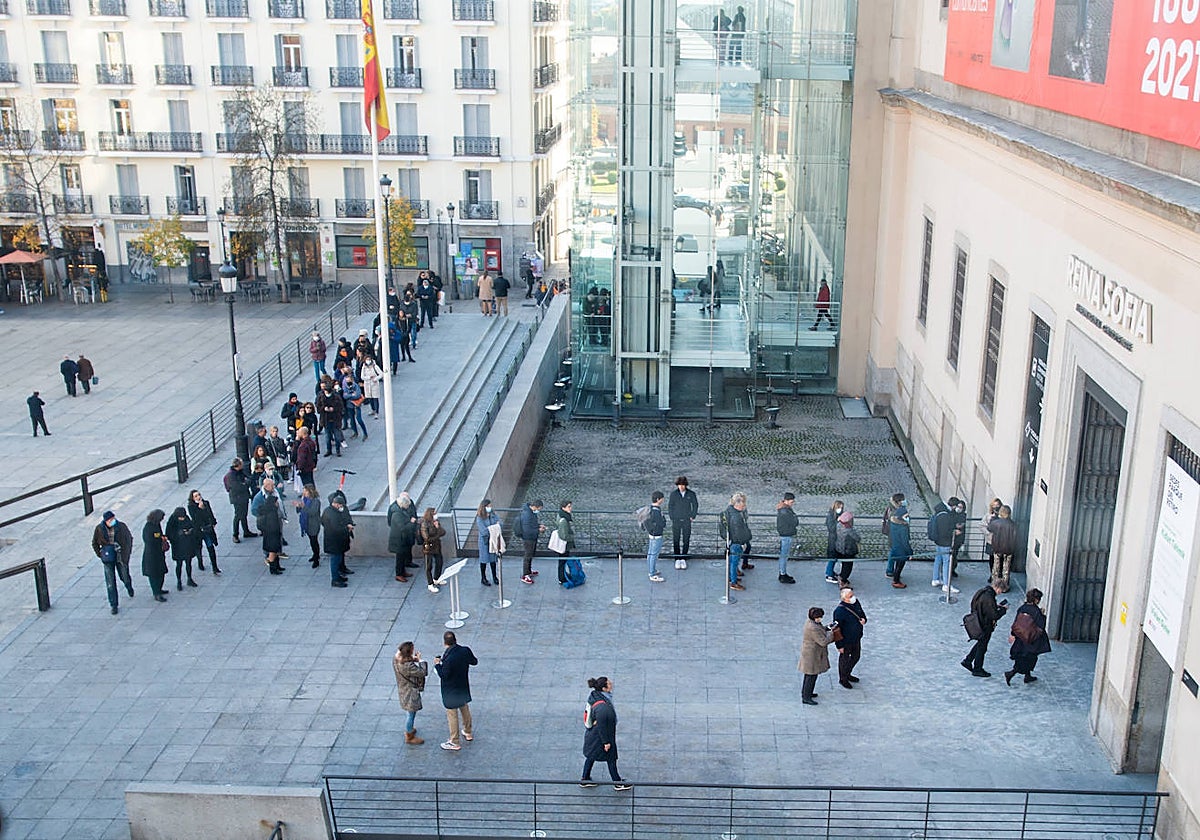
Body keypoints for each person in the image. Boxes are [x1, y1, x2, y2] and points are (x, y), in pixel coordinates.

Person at [579, 676, 631, 790]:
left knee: (591, 756)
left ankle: (585, 778)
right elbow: (602, 726)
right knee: (611, 758)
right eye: (609, 683)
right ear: (604, 688)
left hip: (593, 735)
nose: (611, 684)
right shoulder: (603, 707)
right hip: (601, 736)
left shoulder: (595, 696)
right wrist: (606, 742)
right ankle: (617, 782)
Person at [435, 630, 478, 751]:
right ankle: (468, 731)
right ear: (455, 640)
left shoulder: (448, 659)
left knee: (452, 715)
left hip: (450, 691)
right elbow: (474, 661)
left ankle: (454, 741)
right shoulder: (465, 650)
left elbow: (444, 675)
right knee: (464, 708)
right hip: (462, 686)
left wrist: (438, 665)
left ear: (445, 643)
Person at [962, 581, 1008, 677]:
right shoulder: (989, 597)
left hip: (978, 622)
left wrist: (996, 606)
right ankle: (977, 669)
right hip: (985, 625)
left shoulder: (982, 592)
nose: (1000, 593)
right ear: (998, 588)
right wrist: (1003, 610)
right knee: (982, 647)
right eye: (1001, 591)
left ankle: (968, 660)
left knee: (980, 644)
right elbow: (994, 615)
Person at [92, 510, 134, 615]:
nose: (112, 521)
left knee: (124, 575)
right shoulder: (99, 529)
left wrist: (127, 553)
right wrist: (100, 554)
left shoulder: (121, 526)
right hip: (108, 557)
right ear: (105, 521)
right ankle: (113, 604)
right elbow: (94, 542)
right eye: (110, 520)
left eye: (113, 519)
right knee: (110, 582)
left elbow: (129, 539)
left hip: (120, 556)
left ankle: (128, 586)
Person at [1006, 588, 1051, 685]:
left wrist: (1013, 634)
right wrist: (1043, 615)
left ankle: (1027, 676)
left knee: (1023, 657)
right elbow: (1041, 626)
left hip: (1021, 638)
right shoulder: (1036, 611)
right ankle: (1011, 673)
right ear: (1036, 600)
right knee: (1029, 658)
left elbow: (1017, 622)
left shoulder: (1022, 608)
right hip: (1031, 639)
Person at [832, 587, 867, 688]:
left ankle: (847, 673)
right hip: (846, 640)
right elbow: (836, 629)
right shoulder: (839, 611)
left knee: (856, 656)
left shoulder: (856, 603)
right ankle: (843, 678)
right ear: (844, 599)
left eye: (852, 595)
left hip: (856, 637)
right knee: (844, 659)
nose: (853, 597)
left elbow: (861, 613)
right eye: (850, 596)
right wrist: (839, 645)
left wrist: (864, 619)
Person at [394, 641, 428, 745]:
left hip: (403, 689)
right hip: (410, 692)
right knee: (411, 713)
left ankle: (410, 729)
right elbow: (423, 672)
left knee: (410, 712)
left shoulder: (396, 660)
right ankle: (409, 735)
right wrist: (421, 660)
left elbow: (404, 659)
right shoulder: (408, 666)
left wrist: (413, 659)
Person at [799, 607, 834, 705]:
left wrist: (827, 628)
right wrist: (831, 633)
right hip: (812, 655)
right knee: (811, 676)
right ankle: (806, 697)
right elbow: (823, 641)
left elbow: (820, 630)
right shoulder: (813, 627)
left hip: (811, 653)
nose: (820, 619)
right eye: (819, 617)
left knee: (811, 675)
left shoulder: (812, 623)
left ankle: (807, 693)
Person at [252, 478, 286, 574]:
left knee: (276, 550)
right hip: (271, 532)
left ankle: (277, 566)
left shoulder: (274, 496)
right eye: (272, 485)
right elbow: (254, 510)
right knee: (272, 551)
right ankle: (273, 568)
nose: (274, 487)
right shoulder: (261, 500)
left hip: (275, 530)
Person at [321, 491, 355, 588]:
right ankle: (335, 580)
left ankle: (338, 576)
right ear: (335, 504)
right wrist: (347, 528)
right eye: (340, 505)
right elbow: (336, 528)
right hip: (334, 541)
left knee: (338, 558)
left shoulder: (329, 511)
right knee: (335, 560)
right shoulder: (332, 514)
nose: (341, 507)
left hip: (336, 540)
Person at [720, 492, 752, 591]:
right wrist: (743, 543)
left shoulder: (729, 512)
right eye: (743, 503)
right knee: (734, 563)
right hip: (737, 542)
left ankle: (731, 578)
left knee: (731, 562)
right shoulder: (737, 517)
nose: (744, 505)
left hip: (731, 542)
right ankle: (733, 582)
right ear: (737, 504)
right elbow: (739, 532)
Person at [186, 489, 222, 576]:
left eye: (199, 495)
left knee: (210, 546)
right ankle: (200, 562)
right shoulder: (191, 507)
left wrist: (213, 522)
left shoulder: (206, 503)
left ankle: (214, 567)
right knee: (199, 547)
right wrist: (199, 508)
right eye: (195, 496)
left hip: (207, 529)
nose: (198, 497)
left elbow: (210, 514)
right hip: (198, 531)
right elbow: (195, 518)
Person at [164, 506, 200, 591]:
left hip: (188, 545)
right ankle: (179, 581)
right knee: (179, 564)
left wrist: (190, 531)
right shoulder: (172, 522)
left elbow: (192, 526)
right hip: (178, 547)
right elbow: (169, 534)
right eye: (181, 517)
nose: (182, 519)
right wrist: (180, 534)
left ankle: (189, 578)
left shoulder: (186, 518)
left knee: (188, 563)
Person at [388, 492, 420, 583]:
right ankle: (399, 574)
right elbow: (403, 528)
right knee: (399, 558)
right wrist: (412, 522)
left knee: (402, 557)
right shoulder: (397, 514)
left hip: (403, 539)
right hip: (399, 540)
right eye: (407, 506)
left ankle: (403, 572)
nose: (408, 507)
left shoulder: (400, 511)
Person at [667, 476, 698, 569]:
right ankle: (677, 558)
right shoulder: (673, 494)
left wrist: (693, 516)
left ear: (685, 485)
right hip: (676, 520)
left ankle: (684, 557)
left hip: (687, 520)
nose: (681, 487)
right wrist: (672, 517)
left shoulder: (691, 494)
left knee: (686, 539)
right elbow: (670, 506)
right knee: (676, 539)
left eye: (683, 485)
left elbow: (695, 505)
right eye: (679, 485)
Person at [223, 458, 257, 543]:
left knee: (244, 515)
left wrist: (246, 483)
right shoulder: (231, 476)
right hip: (237, 498)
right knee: (238, 516)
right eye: (241, 464)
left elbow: (248, 479)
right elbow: (238, 487)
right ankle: (235, 534)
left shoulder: (240, 472)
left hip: (243, 496)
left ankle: (246, 531)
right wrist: (246, 483)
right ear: (238, 465)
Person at [929, 501, 958, 593]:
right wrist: (954, 532)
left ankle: (935, 579)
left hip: (938, 541)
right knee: (946, 563)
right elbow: (945, 532)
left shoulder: (939, 513)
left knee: (938, 560)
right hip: (945, 543)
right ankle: (946, 585)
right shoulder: (945, 516)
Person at [988, 504, 1018, 592]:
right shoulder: (1013, 524)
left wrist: (993, 518)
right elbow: (1016, 538)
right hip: (1009, 549)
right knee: (1006, 569)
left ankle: (995, 585)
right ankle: (1004, 587)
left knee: (996, 567)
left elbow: (989, 528)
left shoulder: (996, 522)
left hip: (997, 548)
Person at [141, 509, 169, 603]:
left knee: (161, 573)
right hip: (152, 555)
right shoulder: (148, 528)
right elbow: (150, 541)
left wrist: (162, 537)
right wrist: (160, 539)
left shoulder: (156, 525)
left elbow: (159, 535)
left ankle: (159, 589)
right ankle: (156, 593)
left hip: (159, 553)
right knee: (154, 575)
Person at [517, 499, 545, 585]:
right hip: (528, 539)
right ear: (535, 507)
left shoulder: (530, 513)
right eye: (539, 509)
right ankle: (525, 575)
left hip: (531, 538)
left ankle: (528, 571)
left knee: (529, 555)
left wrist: (538, 525)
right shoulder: (527, 515)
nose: (539, 510)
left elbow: (531, 524)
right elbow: (527, 530)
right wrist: (538, 530)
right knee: (527, 556)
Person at [294, 483, 322, 568]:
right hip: (307, 524)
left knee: (314, 541)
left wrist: (303, 507)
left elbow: (312, 512)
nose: (304, 492)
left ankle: (316, 558)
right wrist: (298, 506)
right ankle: (315, 554)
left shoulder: (316, 501)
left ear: (310, 491)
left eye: (305, 491)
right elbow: (300, 511)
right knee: (311, 540)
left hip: (314, 524)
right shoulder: (305, 499)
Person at [474, 499, 501, 586]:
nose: (490, 507)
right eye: (488, 506)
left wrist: (494, 528)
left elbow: (500, 523)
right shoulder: (479, 517)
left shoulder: (493, 514)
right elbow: (483, 531)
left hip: (493, 541)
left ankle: (494, 577)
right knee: (484, 560)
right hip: (484, 542)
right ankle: (483, 578)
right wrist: (494, 528)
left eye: (490, 506)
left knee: (493, 560)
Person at [887, 496, 912, 589]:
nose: (908, 518)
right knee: (900, 565)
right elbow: (905, 541)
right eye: (906, 516)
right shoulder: (903, 527)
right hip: (901, 549)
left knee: (898, 564)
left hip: (895, 546)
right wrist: (910, 552)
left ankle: (895, 578)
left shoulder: (894, 524)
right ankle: (896, 581)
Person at [642, 491, 667, 582]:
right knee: (654, 554)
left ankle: (651, 570)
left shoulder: (649, 509)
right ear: (658, 499)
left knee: (650, 553)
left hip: (651, 534)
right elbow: (662, 524)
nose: (663, 500)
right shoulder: (657, 512)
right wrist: (663, 519)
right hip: (657, 535)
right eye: (662, 499)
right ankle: (652, 573)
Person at [420, 508, 446, 593]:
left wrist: (438, 527)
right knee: (429, 566)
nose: (436, 515)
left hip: (437, 546)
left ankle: (436, 578)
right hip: (429, 547)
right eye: (434, 513)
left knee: (439, 562)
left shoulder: (436, 522)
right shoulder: (424, 524)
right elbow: (426, 538)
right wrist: (437, 536)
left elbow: (443, 532)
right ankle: (430, 584)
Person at [316, 378, 345, 457]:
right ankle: (329, 450)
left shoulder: (336, 396)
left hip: (335, 419)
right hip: (326, 419)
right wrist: (323, 408)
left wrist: (334, 409)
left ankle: (338, 450)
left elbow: (341, 407)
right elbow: (318, 407)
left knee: (337, 436)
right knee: (327, 437)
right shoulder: (321, 396)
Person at [775, 492, 798, 584]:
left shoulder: (783, 510)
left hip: (785, 534)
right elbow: (795, 522)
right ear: (787, 501)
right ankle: (782, 574)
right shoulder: (785, 511)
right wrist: (795, 518)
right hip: (786, 535)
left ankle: (782, 573)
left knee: (783, 555)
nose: (792, 504)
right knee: (784, 556)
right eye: (791, 502)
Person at [833, 510, 860, 585]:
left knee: (844, 564)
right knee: (848, 566)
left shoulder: (838, 525)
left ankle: (841, 576)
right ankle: (843, 580)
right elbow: (857, 538)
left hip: (840, 549)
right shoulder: (849, 530)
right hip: (848, 551)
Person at [554, 500, 575, 584]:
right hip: (564, 544)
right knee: (562, 561)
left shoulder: (561, 515)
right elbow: (563, 536)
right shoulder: (564, 520)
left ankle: (562, 576)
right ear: (563, 508)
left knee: (562, 561)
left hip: (563, 544)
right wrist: (572, 537)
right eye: (569, 507)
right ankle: (562, 578)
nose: (570, 508)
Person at [823, 499, 844, 583]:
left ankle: (831, 572)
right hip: (833, 539)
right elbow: (831, 528)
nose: (840, 509)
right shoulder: (831, 516)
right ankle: (829, 574)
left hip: (837, 540)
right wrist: (838, 521)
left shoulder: (838, 515)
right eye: (839, 507)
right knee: (832, 557)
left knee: (834, 557)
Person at [948, 496, 967, 578]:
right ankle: (949, 570)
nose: (959, 508)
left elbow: (960, 526)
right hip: (951, 538)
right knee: (951, 555)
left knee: (954, 555)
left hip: (958, 540)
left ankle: (952, 570)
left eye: (961, 507)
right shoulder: (952, 514)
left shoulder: (963, 516)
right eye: (958, 506)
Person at [981, 497, 1002, 572]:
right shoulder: (988, 515)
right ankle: (992, 574)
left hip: (1000, 541)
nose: (996, 507)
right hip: (991, 540)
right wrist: (988, 533)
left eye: (997, 505)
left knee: (1000, 559)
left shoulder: (1002, 516)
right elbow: (982, 525)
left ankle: (998, 574)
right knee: (991, 558)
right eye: (994, 505)